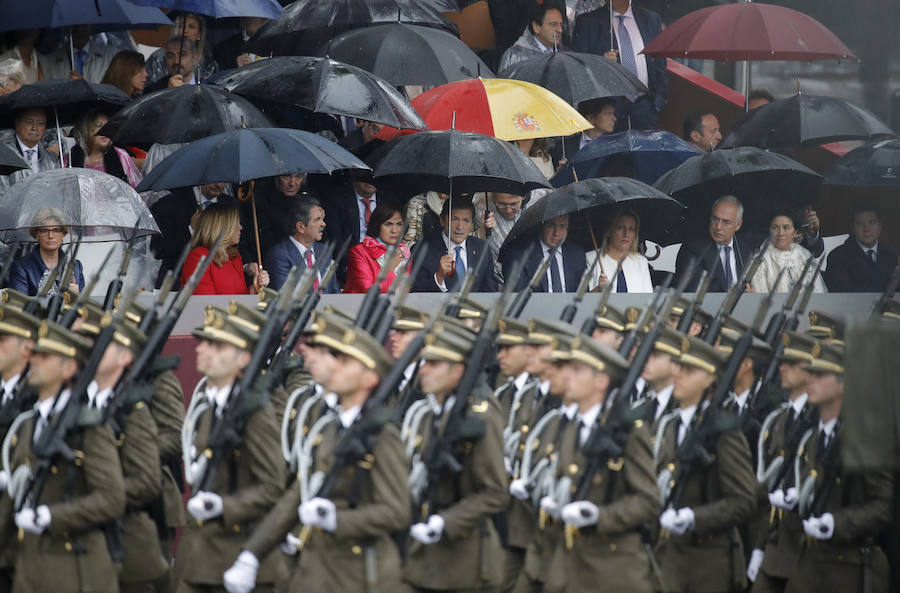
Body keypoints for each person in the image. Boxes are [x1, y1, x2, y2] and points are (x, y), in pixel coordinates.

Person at [222, 315, 411, 593]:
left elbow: (396, 512)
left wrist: (337, 519)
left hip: (361, 577)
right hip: (316, 573)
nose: (334, 368)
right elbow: (300, 493)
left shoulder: (382, 437)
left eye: (345, 363)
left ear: (370, 378)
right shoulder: (332, 429)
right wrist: (252, 553)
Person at [5, 321, 126, 593]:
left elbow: (112, 498)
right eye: (34, 353)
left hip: (75, 570)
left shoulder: (88, 426)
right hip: (29, 569)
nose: (33, 360)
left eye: (44, 356)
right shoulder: (29, 423)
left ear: (69, 368)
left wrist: (51, 515)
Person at [175, 308, 285, 593]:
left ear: (244, 359)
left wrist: (225, 507)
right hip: (205, 555)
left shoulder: (253, 411)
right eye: (205, 342)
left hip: (239, 550)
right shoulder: (212, 404)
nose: (205, 350)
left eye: (218, 346)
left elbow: (273, 485)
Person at [540, 334, 659, 593]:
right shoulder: (571, 427)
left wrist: (599, 516)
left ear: (601, 381)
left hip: (614, 571)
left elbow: (648, 501)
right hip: (569, 567)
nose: (567, 376)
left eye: (577, 370)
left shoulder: (627, 431)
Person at [402, 330, 508, 593]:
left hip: (466, 564)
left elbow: (495, 493)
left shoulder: (477, 419)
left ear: (458, 371)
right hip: (422, 560)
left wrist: (445, 522)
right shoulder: (428, 415)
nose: (423, 370)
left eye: (434, 364)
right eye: (424, 362)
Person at [74, 312, 170, 593]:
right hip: (85, 547)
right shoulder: (77, 403)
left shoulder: (133, 411)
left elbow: (147, 482)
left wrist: (95, 497)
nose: (91, 351)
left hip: (128, 546)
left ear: (125, 358)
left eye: (103, 346)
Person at [654, 335, 757, 593]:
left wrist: (693, 517)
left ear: (711, 379)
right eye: (678, 367)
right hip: (668, 560)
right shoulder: (668, 426)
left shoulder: (723, 432)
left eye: (689, 370)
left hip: (708, 565)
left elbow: (743, 500)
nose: (678, 375)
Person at [786, 343, 892, 593]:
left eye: (820, 375)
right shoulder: (813, 438)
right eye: (810, 372)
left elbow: (883, 506)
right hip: (809, 565)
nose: (810, 379)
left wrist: (836, 522)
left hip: (847, 570)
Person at [749, 331, 819, 592]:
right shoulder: (778, 420)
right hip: (774, 548)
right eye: (783, 361)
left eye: (792, 363)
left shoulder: (819, 418)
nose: (783, 367)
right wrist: (758, 548)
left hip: (807, 551)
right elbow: (767, 489)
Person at [572, 0, 668, 130]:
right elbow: (577, 67)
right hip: (608, 111)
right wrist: (600, 63)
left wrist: (657, 103)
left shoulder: (650, 19)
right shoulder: (588, 22)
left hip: (646, 107)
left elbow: (659, 65)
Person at [150, 182, 238, 288]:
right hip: (177, 286)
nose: (219, 185)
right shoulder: (168, 204)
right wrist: (191, 230)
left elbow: (240, 244)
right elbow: (158, 249)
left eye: (224, 180)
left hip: (221, 285)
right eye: (213, 179)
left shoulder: (232, 205)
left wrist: (248, 266)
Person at [675, 195, 762, 292]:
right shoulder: (694, 249)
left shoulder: (745, 250)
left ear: (738, 225)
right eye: (715, 219)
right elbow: (687, 292)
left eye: (726, 222)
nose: (718, 227)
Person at [412, 196, 499, 293]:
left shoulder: (482, 248)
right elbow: (416, 291)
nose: (460, 227)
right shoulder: (422, 250)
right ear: (442, 220)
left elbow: (490, 289)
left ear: (471, 223)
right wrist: (439, 277)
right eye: (454, 219)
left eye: (466, 220)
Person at [180, 202, 269, 295]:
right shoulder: (199, 257)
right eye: (236, 223)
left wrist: (256, 286)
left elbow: (241, 296)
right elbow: (204, 302)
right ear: (221, 227)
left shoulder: (234, 256)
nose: (240, 227)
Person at [263, 196, 339, 292]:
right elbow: (284, 297)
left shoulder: (324, 251)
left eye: (322, 219)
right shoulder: (279, 255)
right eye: (317, 220)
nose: (323, 224)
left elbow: (335, 291)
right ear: (301, 227)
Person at [502, 213, 588, 293]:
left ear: (568, 228)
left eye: (562, 226)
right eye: (551, 225)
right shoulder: (519, 255)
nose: (556, 233)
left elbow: (583, 294)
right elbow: (517, 294)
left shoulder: (577, 254)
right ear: (541, 225)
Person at [824, 201, 898, 293]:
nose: (867, 229)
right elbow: (841, 295)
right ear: (852, 227)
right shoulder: (837, 257)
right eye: (860, 224)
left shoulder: (893, 255)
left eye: (872, 222)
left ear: (880, 225)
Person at [8, 209, 84, 296]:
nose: (50, 236)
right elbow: (18, 306)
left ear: (63, 233)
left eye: (56, 230)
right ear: (36, 234)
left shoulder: (75, 266)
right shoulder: (22, 268)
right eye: (44, 230)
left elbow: (83, 306)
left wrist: (75, 298)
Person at [750, 212, 825, 294]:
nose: (781, 233)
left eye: (786, 228)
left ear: (795, 232)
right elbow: (759, 296)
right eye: (775, 228)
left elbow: (817, 291)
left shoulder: (805, 255)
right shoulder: (760, 259)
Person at [344, 202, 411, 294]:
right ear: (377, 226)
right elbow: (367, 291)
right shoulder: (359, 252)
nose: (394, 230)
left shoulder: (404, 251)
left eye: (399, 224)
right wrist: (390, 266)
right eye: (388, 224)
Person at [69, 109, 142, 187]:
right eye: (99, 125)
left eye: (108, 126)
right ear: (85, 130)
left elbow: (136, 190)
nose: (106, 130)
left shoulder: (121, 155)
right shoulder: (70, 158)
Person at [586, 209, 654, 292]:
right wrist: (597, 289)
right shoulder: (591, 259)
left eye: (631, 229)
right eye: (620, 228)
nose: (626, 234)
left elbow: (647, 298)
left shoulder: (641, 261)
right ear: (609, 231)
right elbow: (581, 300)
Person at [145, 13, 218, 86]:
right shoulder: (159, 58)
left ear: (199, 34)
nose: (185, 30)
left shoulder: (210, 64)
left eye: (191, 27)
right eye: (181, 26)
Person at [498, 0, 567, 71]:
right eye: (553, 24)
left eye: (561, 25)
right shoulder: (516, 56)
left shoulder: (566, 55)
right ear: (536, 27)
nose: (560, 30)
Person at [0, 107, 59, 190]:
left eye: (40, 123)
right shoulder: (4, 156)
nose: (34, 128)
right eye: (29, 122)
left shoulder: (51, 160)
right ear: (17, 123)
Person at [550, 98, 617, 170]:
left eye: (613, 113)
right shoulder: (563, 147)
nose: (614, 118)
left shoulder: (615, 147)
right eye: (608, 113)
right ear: (591, 118)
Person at [405, 191, 488, 245]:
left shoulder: (465, 206)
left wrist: (482, 230)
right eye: (454, 219)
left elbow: (466, 239)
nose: (459, 226)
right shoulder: (418, 202)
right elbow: (409, 241)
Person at [40, 25, 119, 83]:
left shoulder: (112, 57)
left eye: (84, 25)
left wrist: (84, 86)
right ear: (65, 28)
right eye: (74, 26)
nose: (79, 29)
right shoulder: (50, 61)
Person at [486, 191, 526, 278]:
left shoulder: (539, 200)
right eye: (502, 204)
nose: (508, 210)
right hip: (495, 281)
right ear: (493, 199)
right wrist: (482, 231)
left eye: (514, 204)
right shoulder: (482, 207)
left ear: (524, 197)